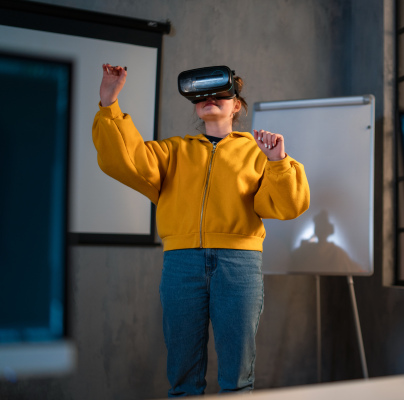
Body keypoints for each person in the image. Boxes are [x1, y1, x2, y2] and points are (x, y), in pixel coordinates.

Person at [92, 64, 310, 396]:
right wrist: (110, 102)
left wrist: (278, 161)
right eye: (202, 95)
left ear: (236, 105)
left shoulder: (257, 153)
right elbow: (126, 160)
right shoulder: (172, 152)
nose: (210, 98)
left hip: (239, 265)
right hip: (182, 265)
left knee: (237, 379)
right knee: (183, 379)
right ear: (195, 104)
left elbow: (288, 205)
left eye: (222, 93)